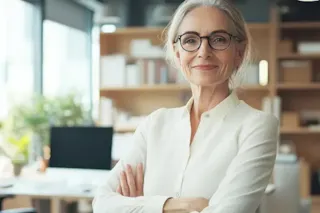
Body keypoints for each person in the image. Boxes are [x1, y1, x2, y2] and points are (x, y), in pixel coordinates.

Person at [92, 0, 279, 212]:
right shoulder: (155, 124)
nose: (204, 51)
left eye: (219, 39)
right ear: (177, 52)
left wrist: (140, 206)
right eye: (190, 40)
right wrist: (178, 205)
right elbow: (103, 203)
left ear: (239, 51)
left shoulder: (257, 126)